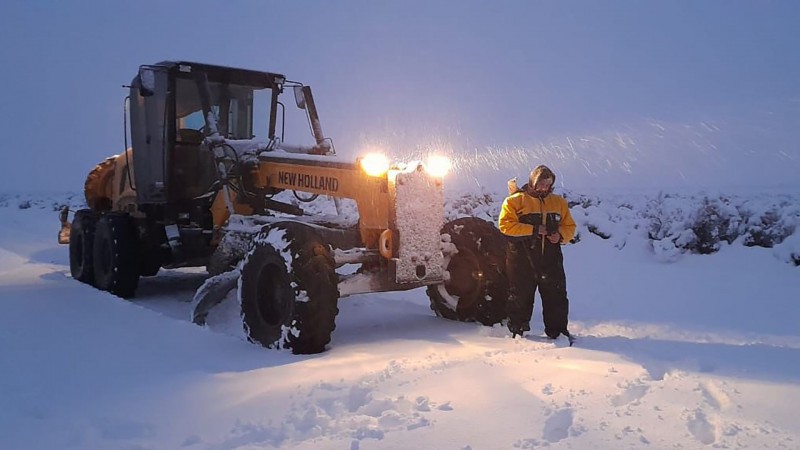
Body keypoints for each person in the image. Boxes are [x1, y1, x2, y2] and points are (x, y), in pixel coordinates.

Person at [498, 165, 576, 341]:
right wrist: (533, 229)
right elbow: (505, 226)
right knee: (520, 295)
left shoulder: (559, 203)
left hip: (551, 258)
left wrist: (561, 235)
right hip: (521, 258)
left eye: (548, 184)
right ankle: (518, 331)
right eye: (541, 183)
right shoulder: (514, 201)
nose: (544, 188)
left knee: (556, 295)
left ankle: (558, 332)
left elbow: (570, 226)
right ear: (533, 182)